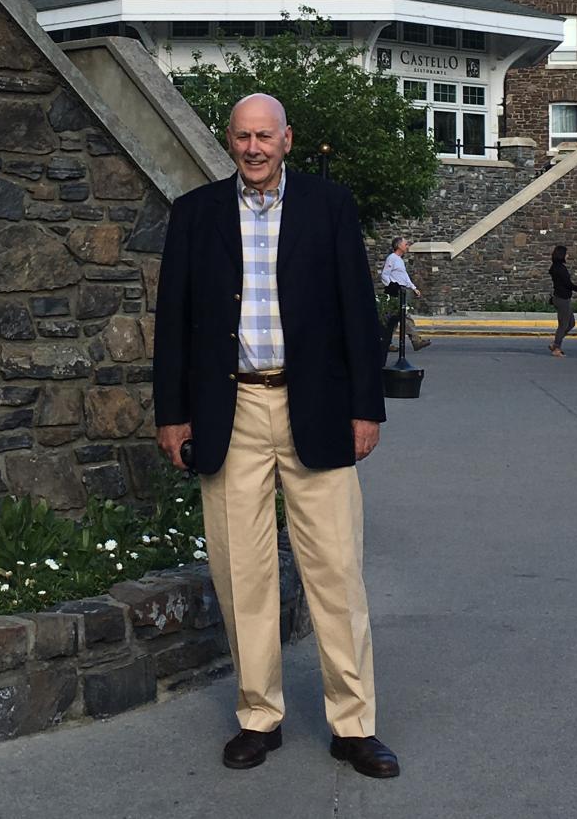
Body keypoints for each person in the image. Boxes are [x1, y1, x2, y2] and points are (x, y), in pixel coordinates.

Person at [154, 93, 400, 780]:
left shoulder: (329, 206)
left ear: (287, 138)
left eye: (266, 135)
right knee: (244, 575)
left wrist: (366, 408)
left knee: (337, 572)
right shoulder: (196, 214)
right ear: (229, 140)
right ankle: (258, 716)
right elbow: (171, 323)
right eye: (243, 136)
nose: (254, 148)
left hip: (314, 408)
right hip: (229, 411)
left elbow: (358, 308)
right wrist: (171, 414)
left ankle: (354, 725)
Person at [380, 237, 430, 351]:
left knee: (393, 319)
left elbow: (404, 277)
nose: (407, 246)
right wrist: (392, 286)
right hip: (396, 292)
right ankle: (416, 341)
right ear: (399, 246)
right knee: (405, 316)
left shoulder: (400, 260)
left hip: (402, 291)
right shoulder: (392, 258)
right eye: (405, 244)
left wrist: (413, 288)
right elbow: (384, 275)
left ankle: (385, 342)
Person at [548, 244, 577, 357]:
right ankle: (556, 348)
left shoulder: (555, 267)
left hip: (562, 298)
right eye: (566, 254)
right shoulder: (560, 269)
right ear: (562, 255)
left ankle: (555, 344)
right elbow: (567, 284)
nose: (568, 256)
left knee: (571, 323)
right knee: (563, 325)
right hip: (562, 299)